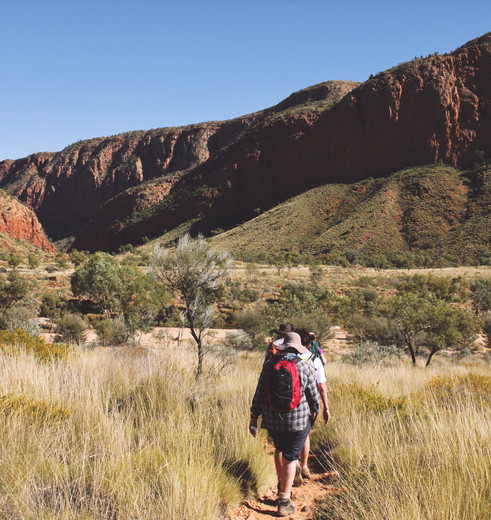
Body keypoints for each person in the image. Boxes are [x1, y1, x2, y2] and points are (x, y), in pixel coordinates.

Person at [249, 332, 319, 517]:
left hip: (272, 420)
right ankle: (284, 500)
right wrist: (314, 413)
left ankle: (282, 483)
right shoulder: (304, 365)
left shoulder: (269, 365)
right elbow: (313, 395)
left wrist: (254, 417)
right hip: (297, 420)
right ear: (297, 348)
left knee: (280, 449)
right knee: (290, 457)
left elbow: (259, 393)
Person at [294, 329, 330, 482]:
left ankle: (293, 463)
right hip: (309, 402)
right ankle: (303, 465)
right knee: (305, 433)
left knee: (289, 436)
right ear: (309, 344)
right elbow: (321, 386)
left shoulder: (285, 358)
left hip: (288, 403)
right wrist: (325, 408)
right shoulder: (314, 359)